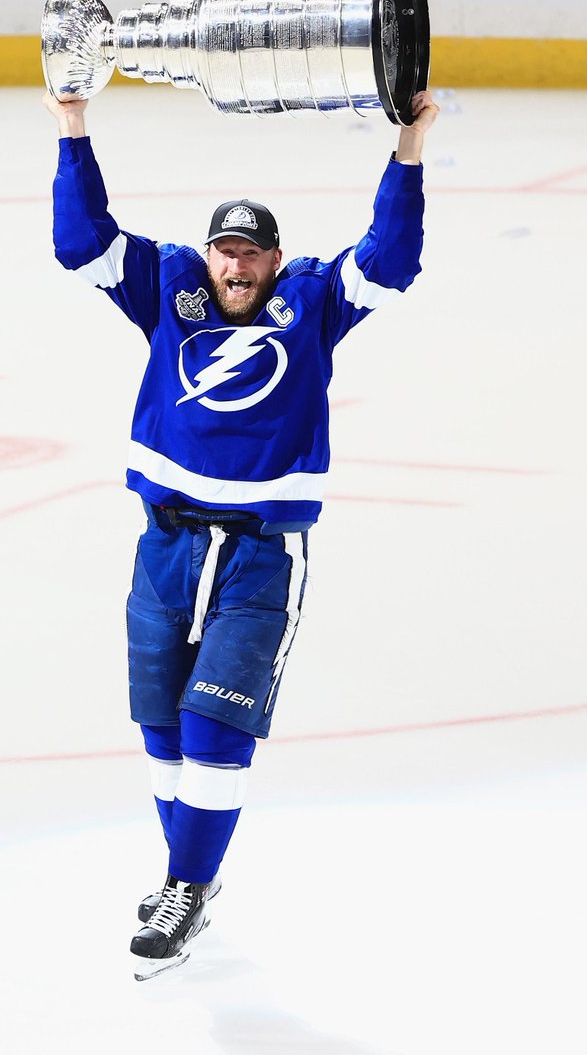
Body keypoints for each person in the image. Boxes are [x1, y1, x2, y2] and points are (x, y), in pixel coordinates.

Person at [43, 87, 439, 980]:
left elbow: (391, 259)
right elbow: (81, 243)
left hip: (259, 552)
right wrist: (72, 125)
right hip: (165, 545)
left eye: (251, 253)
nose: (235, 266)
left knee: (214, 727)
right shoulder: (167, 287)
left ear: (273, 260)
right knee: (160, 726)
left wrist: (408, 146)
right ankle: (191, 878)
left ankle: (182, 889)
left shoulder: (311, 305)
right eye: (226, 250)